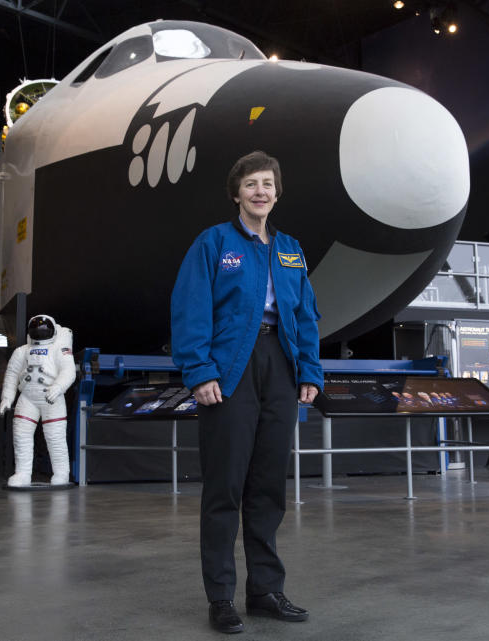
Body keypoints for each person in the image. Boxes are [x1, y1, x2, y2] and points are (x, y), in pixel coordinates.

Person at [171, 150, 323, 634]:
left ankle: (264, 590)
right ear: (237, 192)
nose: (262, 192)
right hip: (229, 370)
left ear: (277, 193)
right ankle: (221, 597)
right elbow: (191, 307)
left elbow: (305, 317)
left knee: (268, 488)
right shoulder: (213, 243)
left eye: (269, 184)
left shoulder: (290, 249)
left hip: (279, 367)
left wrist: (310, 372)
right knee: (225, 489)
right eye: (252, 184)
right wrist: (199, 371)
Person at [0, 314, 76, 487]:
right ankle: (22, 474)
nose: (40, 332)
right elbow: (11, 375)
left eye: (44, 329)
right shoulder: (22, 351)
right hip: (27, 398)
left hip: (52, 397)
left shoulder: (60, 348)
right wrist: (7, 397)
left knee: (55, 438)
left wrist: (58, 387)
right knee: (21, 435)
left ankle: (61, 474)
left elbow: (68, 371)